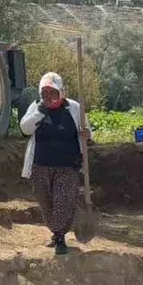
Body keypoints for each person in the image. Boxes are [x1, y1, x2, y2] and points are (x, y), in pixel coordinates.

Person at [19, 72, 87, 256]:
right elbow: (25, 129)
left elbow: (85, 130)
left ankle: (60, 236)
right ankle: (56, 231)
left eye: (52, 91)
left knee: (63, 200)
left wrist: (88, 134)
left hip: (67, 164)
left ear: (61, 92)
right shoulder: (36, 107)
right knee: (45, 202)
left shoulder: (73, 108)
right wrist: (40, 112)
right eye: (44, 92)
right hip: (40, 165)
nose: (48, 96)